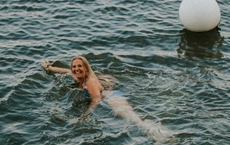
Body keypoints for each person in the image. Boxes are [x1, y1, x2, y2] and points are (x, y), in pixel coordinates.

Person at [41, 55, 172, 140]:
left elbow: (96, 99)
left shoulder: (90, 81)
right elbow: (65, 70)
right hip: (110, 96)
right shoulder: (77, 76)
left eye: (79, 66)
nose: (76, 69)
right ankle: (155, 130)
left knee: (133, 119)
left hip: (112, 99)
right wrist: (49, 68)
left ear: (86, 69)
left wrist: (86, 114)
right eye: (74, 66)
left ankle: (159, 133)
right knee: (133, 119)